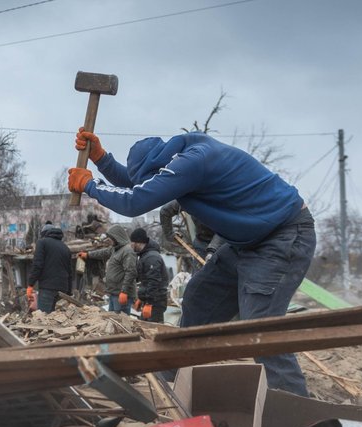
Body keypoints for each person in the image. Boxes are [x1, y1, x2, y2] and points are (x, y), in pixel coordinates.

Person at [68, 128, 315, 396]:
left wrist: (91, 186)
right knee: (199, 298)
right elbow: (138, 184)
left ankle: (297, 415)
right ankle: (172, 384)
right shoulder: (175, 158)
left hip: (283, 235)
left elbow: (136, 200)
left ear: (160, 168)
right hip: (247, 241)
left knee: (259, 325)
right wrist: (101, 159)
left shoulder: (194, 161)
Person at [78, 225, 137, 314]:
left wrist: (124, 292)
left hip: (121, 294)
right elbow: (103, 252)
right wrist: (88, 255)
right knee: (112, 320)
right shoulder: (115, 249)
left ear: (117, 237)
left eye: (111, 238)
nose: (109, 240)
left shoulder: (127, 251)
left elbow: (131, 272)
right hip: (114, 293)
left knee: (119, 322)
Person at [159, 200, 225, 267]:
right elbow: (165, 211)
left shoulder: (221, 198)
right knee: (199, 275)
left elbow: (225, 226)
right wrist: (169, 234)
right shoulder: (190, 199)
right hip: (201, 241)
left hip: (225, 242)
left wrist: (212, 249)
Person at [26, 222, 73, 313]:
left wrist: (30, 284)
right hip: (63, 290)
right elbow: (70, 273)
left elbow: (37, 265)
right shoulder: (65, 248)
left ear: (44, 234)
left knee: (44, 319)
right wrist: (69, 293)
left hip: (47, 288)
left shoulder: (42, 242)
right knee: (58, 319)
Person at [130, 227, 169, 323]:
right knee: (146, 329)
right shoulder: (144, 255)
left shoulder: (151, 257)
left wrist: (149, 303)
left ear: (138, 242)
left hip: (156, 302)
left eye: (132, 242)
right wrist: (141, 298)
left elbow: (153, 281)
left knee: (154, 330)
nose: (131, 245)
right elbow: (145, 281)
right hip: (151, 300)